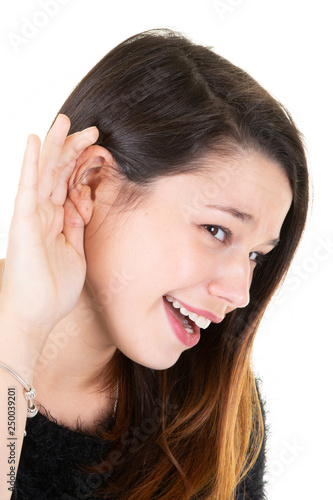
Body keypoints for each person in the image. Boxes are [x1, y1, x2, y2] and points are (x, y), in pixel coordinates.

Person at [0, 28, 309, 500]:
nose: (240, 292)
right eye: (217, 231)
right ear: (91, 182)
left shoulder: (218, 412)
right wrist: (20, 330)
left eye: (255, 255)